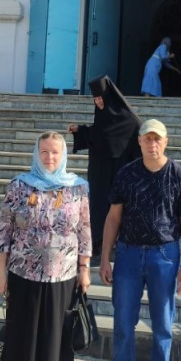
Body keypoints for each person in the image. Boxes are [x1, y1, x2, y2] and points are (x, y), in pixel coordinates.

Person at [98, 119, 181, 361]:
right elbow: (113, 218)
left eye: (157, 139)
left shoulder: (179, 175)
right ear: (139, 142)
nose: (152, 144)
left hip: (164, 256)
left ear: (166, 141)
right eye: (146, 139)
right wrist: (105, 257)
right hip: (128, 255)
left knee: (162, 328)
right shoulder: (127, 174)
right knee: (123, 325)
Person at [0, 132, 92, 361]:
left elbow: (85, 231)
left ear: (64, 155)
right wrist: (0, 271)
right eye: (45, 152)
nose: (50, 158)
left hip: (63, 276)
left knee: (55, 339)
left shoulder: (77, 188)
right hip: (24, 275)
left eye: (55, 153)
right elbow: (3, 230)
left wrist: (85, 269)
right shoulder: (19, 186)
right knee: (25, 337)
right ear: (37, 154)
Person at [68, 75, 141, 259]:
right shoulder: (102, 118)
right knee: (98, 208)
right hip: (99, 175)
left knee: (118, 209)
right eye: (96, 98)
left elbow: (136, 142)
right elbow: (98, 133)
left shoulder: (130, 121)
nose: (99, 101)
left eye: (101, 97)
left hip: (119, 174)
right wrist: (80, 130)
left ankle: (117, 245)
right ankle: (98, 244)